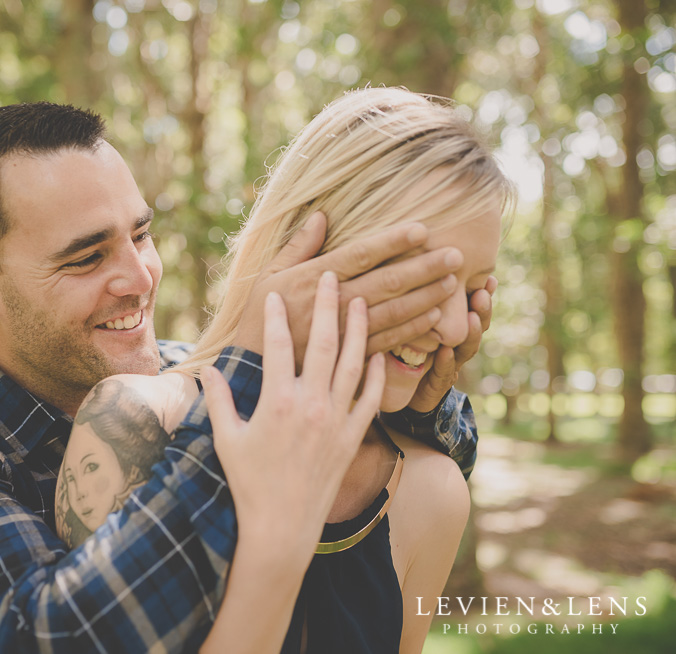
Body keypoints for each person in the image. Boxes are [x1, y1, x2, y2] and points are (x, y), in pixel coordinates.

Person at [0, 101, 485, 652]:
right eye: (88, 256)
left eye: (142, 235)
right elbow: (50, 640)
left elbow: (426, 449)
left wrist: (416, 403)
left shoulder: (193, 378)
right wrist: (248, 378)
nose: (140, 277)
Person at [56, 87, 511, 653]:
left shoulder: (432, 492)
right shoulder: (133, 425)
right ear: (311, 249)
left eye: (470, 290)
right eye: (419, 280)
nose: (449, 326)